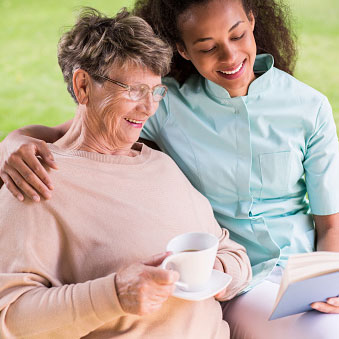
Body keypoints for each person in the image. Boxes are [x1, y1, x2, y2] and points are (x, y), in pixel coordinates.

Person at [1, 0, 339, 337]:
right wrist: (11, 145)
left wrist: (326, 284)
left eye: (154, 90)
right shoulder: (39, 181)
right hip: (249, 293)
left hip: (295, 270)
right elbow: (10, 318)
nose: (148, 107)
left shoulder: (163, 164)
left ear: (252, 22)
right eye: (134, 90)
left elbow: (321, 226)